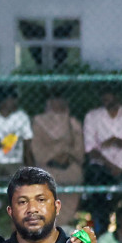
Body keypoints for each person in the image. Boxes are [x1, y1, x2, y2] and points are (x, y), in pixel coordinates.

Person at [82, 84, 122, 230]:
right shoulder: (93, 116)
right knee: (95, 176)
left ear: (118, 96)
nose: (106, 98)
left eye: (110, 94)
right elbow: (91, 150)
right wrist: (111, 167)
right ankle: (101, 229)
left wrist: (117, 141)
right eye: (103, 94)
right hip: (104, 167)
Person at [31, 92, 84, 227]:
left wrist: (66, 153)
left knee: (75, 173)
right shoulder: (38, 123)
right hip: (47, 167)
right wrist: (58, 151)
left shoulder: (73, 124)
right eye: (54, 104)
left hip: (69, 167)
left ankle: (65, 223)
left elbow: (80, 152)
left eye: (61, 104)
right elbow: (37, 153)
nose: (58, 108)